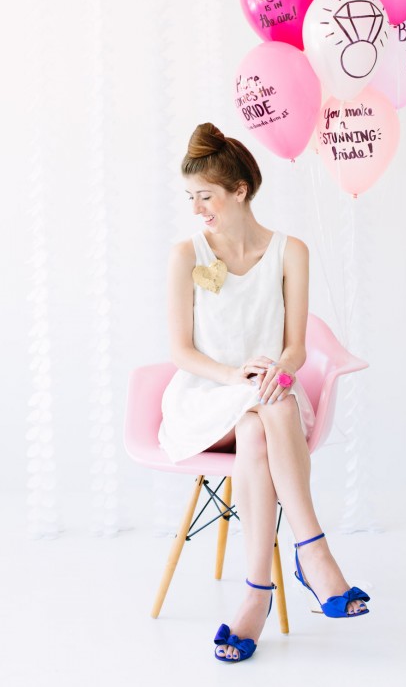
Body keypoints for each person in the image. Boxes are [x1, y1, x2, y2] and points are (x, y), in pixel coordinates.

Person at [158, 122, 370, 663]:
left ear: (240, 190)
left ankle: (254, 593)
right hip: (206, 397)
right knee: (259, 410)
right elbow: (180, 351)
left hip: (265, 402)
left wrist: (276, 371)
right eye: (191, 198)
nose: (198, 208)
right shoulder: (188, 255)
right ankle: (314, 552)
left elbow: (295, 348)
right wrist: (235, 377)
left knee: (259, 424)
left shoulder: (290, 251)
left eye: (206, 196)